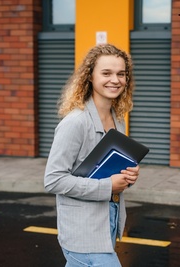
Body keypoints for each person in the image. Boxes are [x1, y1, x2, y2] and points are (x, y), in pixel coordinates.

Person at [44, 44, 139, 267]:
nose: (115, 80)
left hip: (106, 226)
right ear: (90, 77)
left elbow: (106, 171)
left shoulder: (118, 118)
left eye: (121, 74)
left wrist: (128, 175)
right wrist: (108, 186)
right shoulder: (75, 122)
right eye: (106, 73)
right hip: (83, 235)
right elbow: (53, 179)